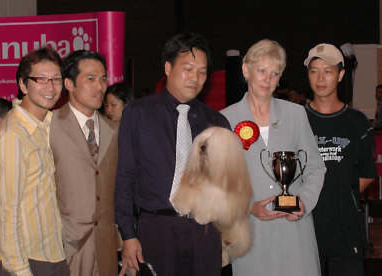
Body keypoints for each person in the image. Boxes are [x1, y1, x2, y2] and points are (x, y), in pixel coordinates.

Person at [115, 32, 230, 276]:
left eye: (202, 72)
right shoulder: (138, 114)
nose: (195, 78)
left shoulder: (216, 122)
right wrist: (128, 234)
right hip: (156, 230)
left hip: (205, 233)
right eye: (188, 69)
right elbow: (125, 177)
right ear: (167, 68)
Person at [220, 39, 326, 276]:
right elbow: (220, 182)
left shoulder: (296, 114)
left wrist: (304, 201)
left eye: (275, 73)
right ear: (246, 70)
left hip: (295, 234)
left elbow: (316, 168)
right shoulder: (225, 119)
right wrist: (248, 207)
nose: (268, 79)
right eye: (262, 71)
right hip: (251, 236)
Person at [0, 47, 69, 276]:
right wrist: (20, 270)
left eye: (55, 79)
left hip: (53, 252)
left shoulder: (49, 125)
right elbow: (7, 211)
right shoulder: (13, 135)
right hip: (26, 260)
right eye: (40, 79)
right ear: (23, 85)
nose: (51, 87)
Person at [304, 43, 376, 276]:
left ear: (341, 75)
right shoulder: (295, 119)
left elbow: (366, 176)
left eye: (328, 71)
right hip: (304, 234)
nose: (321, 78)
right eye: (314, 70)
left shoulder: (357, 122)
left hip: (346, 236)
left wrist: (339, 197)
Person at [50, 50, 120, 276]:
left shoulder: (114, 130)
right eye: (90, 79)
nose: (99, 87)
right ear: (69, 84)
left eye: (103, 79)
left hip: (106, 249)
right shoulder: (49, 127)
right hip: (65, 248)